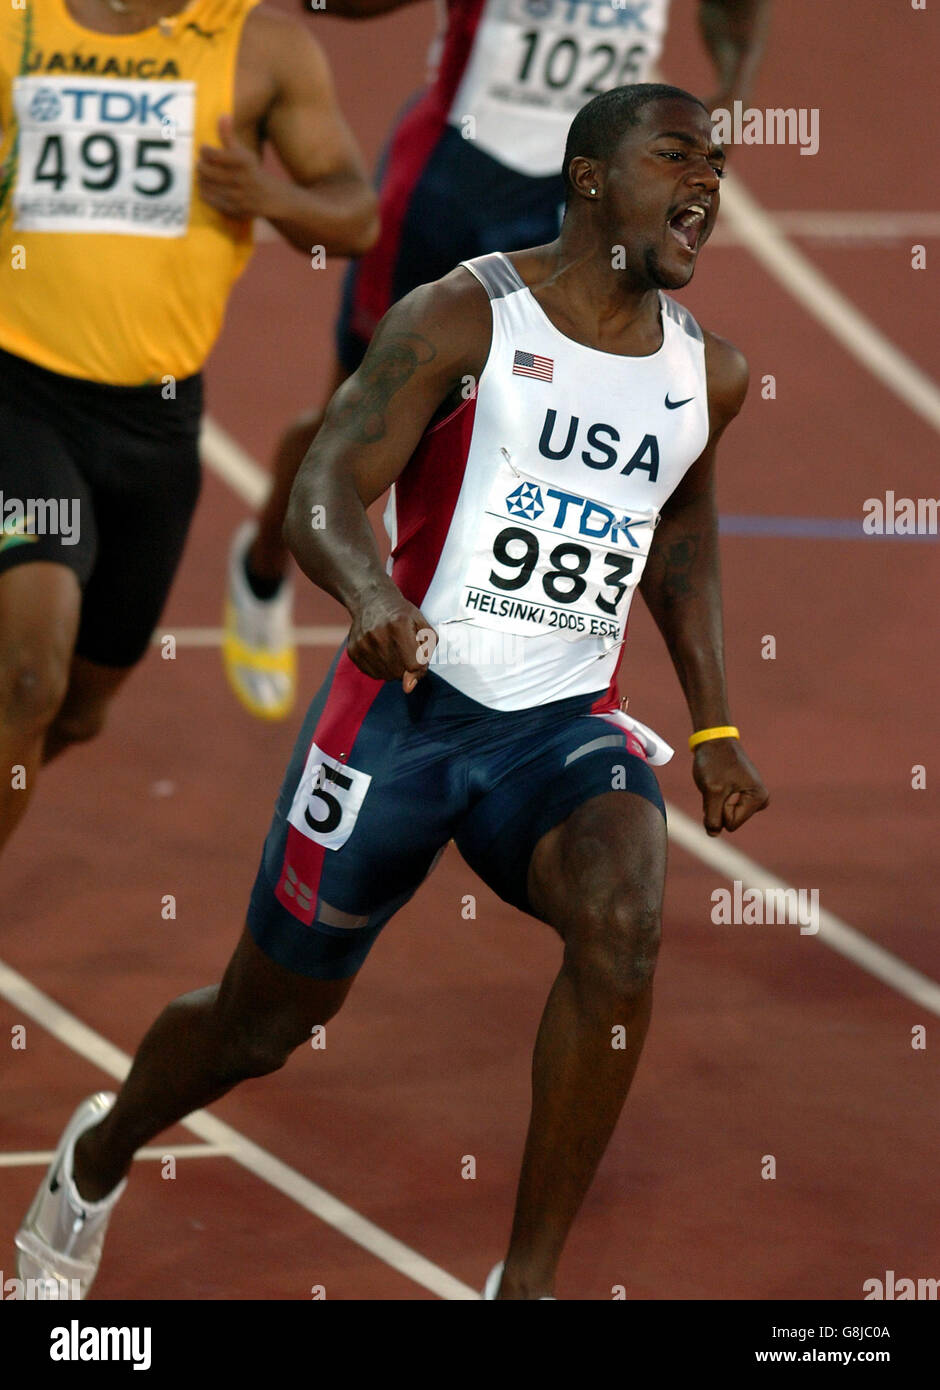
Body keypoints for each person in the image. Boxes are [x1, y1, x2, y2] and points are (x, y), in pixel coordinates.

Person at [18, 84, 769, 1301]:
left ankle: (522, 1286)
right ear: (588, 179)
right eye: (676, 157)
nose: (705, 186)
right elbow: (326, 479)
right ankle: (96, 1158)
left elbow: (679, 536)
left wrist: (716, 722)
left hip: (560, 731)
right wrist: (369, 594)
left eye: (718, 168)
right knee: (259, 1028)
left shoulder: (707, 375)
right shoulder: (463, 316)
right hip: (405, 718)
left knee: (625, 921)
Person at [223, 0, 771, 718]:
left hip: (579, 202)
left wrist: (735, 82)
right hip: (445, 186)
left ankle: (500, 633)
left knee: (540, 426)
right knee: (357, 413)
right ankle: (264, 569)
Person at [0, 0, 377, 860]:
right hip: (17, 397)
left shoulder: (263, 47)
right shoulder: (15, 25)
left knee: (79, 707)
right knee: (27, 669)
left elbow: (355, 215)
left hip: (155, 423)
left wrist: (268, 193)